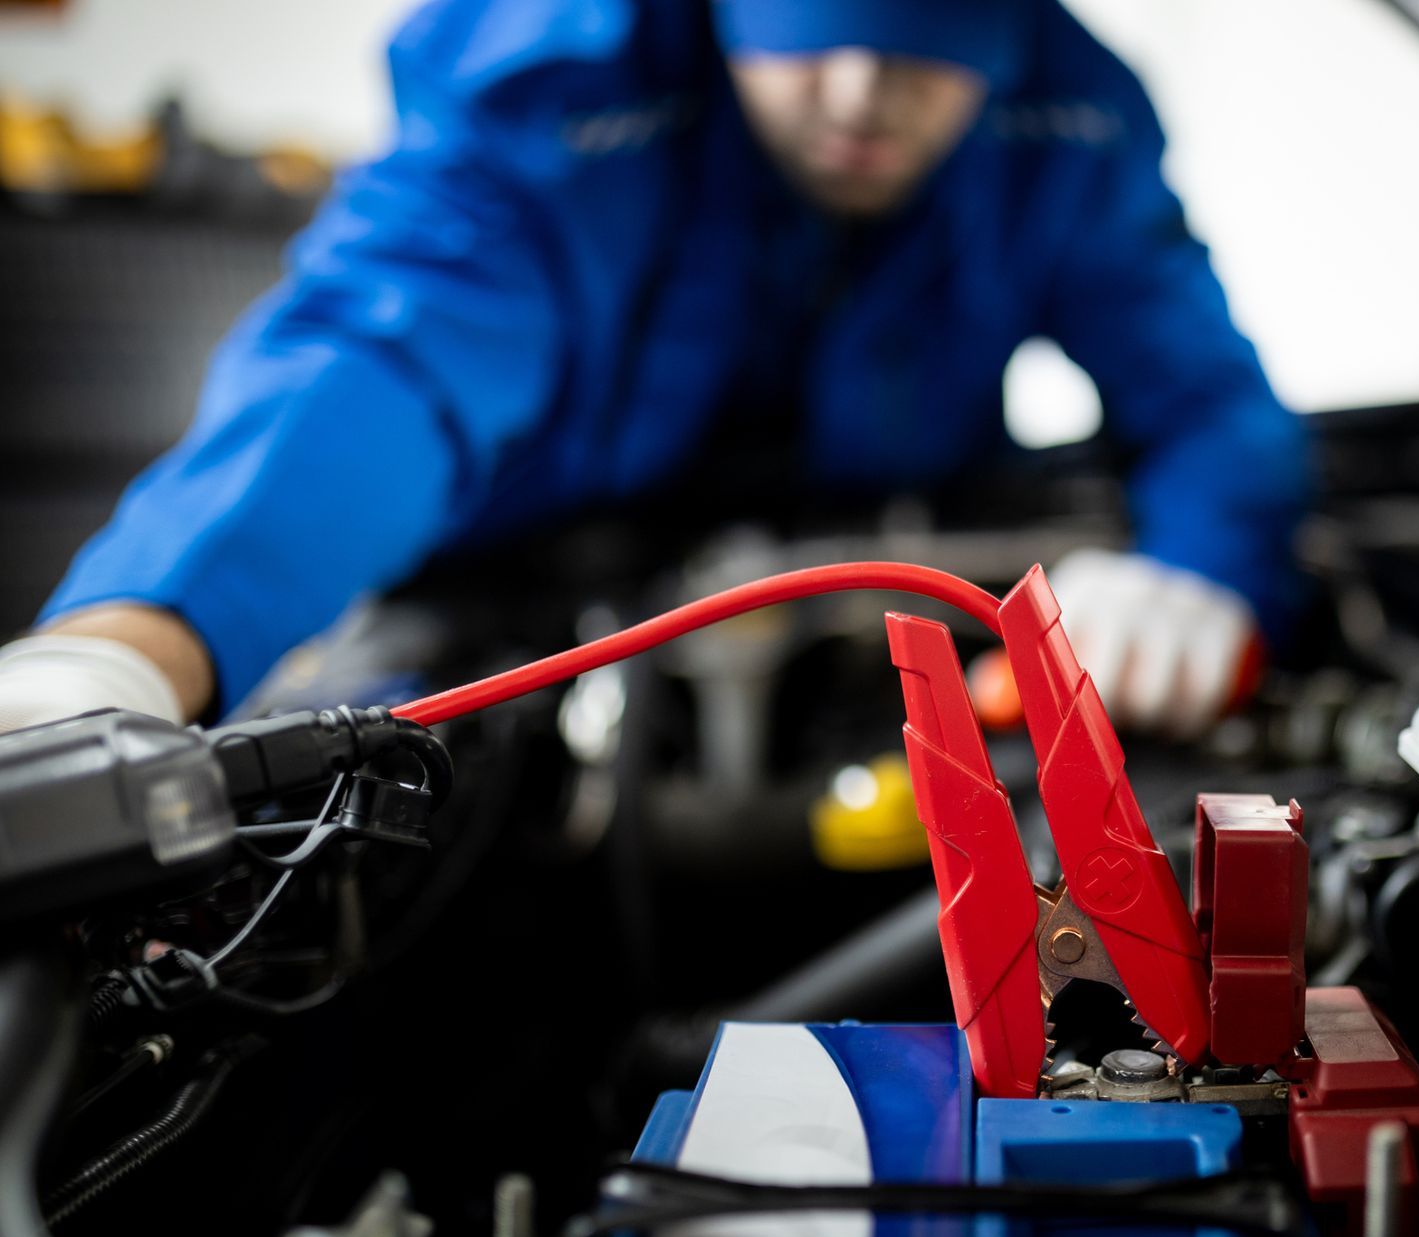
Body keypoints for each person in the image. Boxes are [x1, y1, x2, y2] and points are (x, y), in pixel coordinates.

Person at [0, 0, 1310, 739]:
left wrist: (1203, 572)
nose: (859, 93)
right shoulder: (552, 70)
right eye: (809, 26)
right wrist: (134, 641)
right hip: (519, 610)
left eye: (925, 36)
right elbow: (385, 360)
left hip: (874, 604)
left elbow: (1204, 401)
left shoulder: (1072, 123)